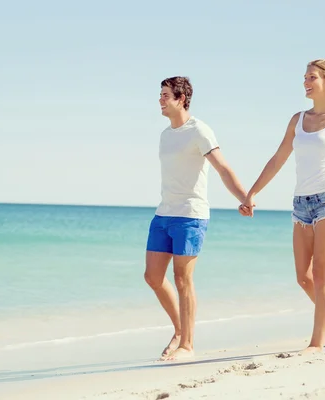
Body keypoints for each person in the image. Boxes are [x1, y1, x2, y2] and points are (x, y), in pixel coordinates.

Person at [239, 59, 325, 354]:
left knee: (321, 272)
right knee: (303, 277)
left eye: (312, 77)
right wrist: (252, 192)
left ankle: (316, 344)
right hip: (301, 204)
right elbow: (278, 159)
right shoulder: (297, 120)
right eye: (304, 78)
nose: (306, 82)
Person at [145, 76, 249, 361]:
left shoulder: (199, 130)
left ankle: (187, 345)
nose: (160, 100)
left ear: (181, 98)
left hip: (190, 215)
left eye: (165, 95)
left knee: (182, 279)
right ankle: (180, 330)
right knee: (153, 276)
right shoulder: (166, 134)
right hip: (164, 213)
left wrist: (244, 197)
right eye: (160, 95)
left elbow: (222, 168)